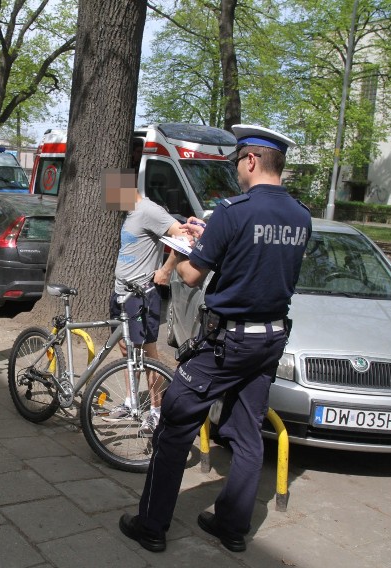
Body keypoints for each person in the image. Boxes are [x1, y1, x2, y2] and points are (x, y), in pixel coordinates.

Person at [119, 125, 312, 553]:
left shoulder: (232, 211)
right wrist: (212, 238)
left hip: (227, 344)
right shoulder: (301, 215)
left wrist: (187, 243)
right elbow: (258, 258)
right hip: (270, 340)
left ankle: (151, 525)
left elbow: (190, 276)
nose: (236, 172)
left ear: (251, 161)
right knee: (246, 434)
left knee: (175, 419)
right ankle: (231, 526)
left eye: (237, 163)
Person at [102, 168, 189, 436]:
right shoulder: (130, 214)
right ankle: (130, 403)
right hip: (121, 293)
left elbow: (183, 235)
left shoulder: (149, 211)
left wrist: (166, 269)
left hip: (141, 296)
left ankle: (155, 410)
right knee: (127, 350)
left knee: (148, 353)